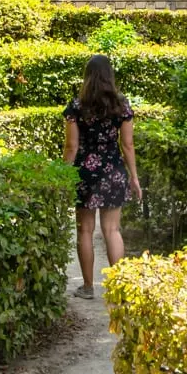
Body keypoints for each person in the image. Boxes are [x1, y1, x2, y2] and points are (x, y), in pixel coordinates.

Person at [63, 54, 142, 299]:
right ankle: (119, 289)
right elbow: (127, 145)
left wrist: (62, 176)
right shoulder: (121, 104)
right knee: (112, 230)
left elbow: (71, 147)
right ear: (110, 75)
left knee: (85, 231)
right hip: (113, 171)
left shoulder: (77, 106)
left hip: (85, 173)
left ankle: (87, 288)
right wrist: (134, 177)